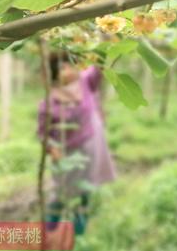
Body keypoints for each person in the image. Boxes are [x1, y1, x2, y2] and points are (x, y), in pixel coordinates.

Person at [37, 52, 116, 235]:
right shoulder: (49, 101)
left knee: (84, 190)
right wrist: (52, 148)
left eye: (71, 65)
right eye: (63, 67)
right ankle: (49, 228)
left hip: (90, 146)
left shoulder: (85, 82)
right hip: (65, 153)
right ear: (54, 74)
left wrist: (104, 39)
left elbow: (99, 65)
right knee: (60, 191)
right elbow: (43, 133)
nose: (70, 69)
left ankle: (79, 231)